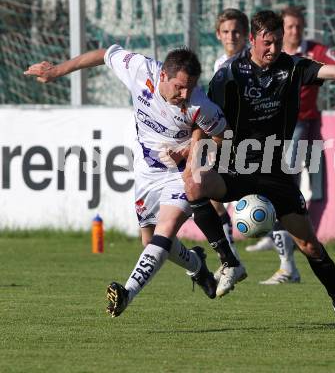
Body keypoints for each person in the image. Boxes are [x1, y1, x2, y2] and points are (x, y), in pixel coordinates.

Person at [183, 10, 335, 328]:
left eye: (278, 42)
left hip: (274, 171)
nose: (273, 49)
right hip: (236, 166)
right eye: (267, 43)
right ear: (252, 40)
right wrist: (195, 157)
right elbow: (203, 116)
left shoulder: (293, 68)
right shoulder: (230, 74)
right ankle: (229, 261)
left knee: (310, 245)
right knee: (195, 184)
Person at [24, 44, 245, 317]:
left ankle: (126, 293)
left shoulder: (201, 106)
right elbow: (104, 54)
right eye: (179, 87)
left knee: (165, 230)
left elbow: (223, 137)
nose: (185, 94)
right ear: (163, 75)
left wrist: (192, 150)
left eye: (190, 88)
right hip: (146, 171)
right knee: (149, 241)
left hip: (180, 174)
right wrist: (57, 70)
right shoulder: (140, 69)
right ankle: (197, 265)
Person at [254, 6, 335, 285]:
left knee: (314, 189)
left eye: (298, 27)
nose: (295, 31)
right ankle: (282, 240)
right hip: (282, 129)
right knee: (283, 186)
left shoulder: (314, 52)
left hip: (306, 126)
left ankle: (293, 238)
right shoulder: (272, 56)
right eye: (290, 27)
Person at [211, 8, 249, 279]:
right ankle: (232, 259)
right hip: (226, 139)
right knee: (213, 198)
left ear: (246, 35)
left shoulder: (252, 62)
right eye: (225, 31)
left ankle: (288, 265)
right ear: (218, 34)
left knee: (269, 202)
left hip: (253, 141)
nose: (231, 36)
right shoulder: (218, 64)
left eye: (236, 31)